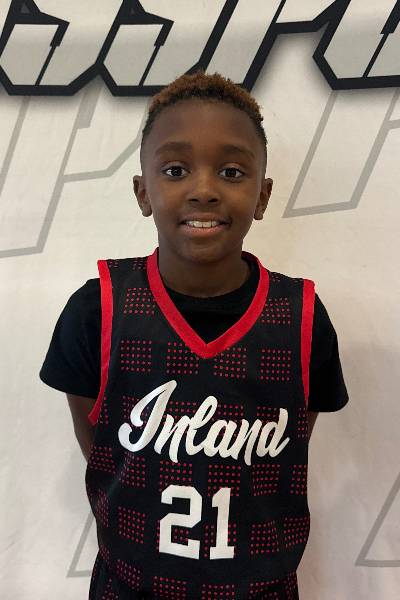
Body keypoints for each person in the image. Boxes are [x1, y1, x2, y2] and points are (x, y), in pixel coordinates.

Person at [40, 70, 348, 600]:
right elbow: (103, 448)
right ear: (143, 191)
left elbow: (291, 445)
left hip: (260, 588)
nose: (204, 190)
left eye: (231, 172)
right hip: (129, 583)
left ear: (262, 196)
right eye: (176, 170)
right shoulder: (97, 311)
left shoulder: (300, 318)